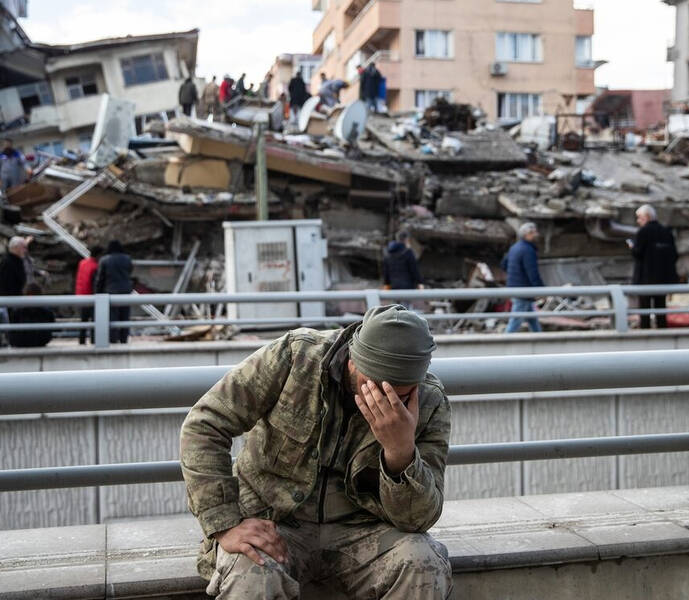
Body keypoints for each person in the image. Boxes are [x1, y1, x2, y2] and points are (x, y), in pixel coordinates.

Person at [180, 304, 452, 598]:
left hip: (363, 529)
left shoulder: (428, 401)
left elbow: (417, 521)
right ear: (352, 360)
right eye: (372, 386)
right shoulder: (296, 357)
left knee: (423, 563)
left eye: (400, 395)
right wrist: (225, 524)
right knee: (251, 575)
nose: (384, 402)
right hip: (276, 522)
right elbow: (204, 424)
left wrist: (400, 452)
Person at [629, 204, 679, 329]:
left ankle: (646, 331)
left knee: (644, 309)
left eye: (639, 218)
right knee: (660, 307)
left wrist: (632, 247)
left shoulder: (643, 232)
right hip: (662, 278)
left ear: (646, 217)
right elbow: (674, 255)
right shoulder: (666, 231)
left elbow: (637, 253)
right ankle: (662, 329)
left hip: (645, 279)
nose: (638, 221)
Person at [501, 222, 545, 333]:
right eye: (534, 232)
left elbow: (503, 265)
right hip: (523, 289)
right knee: (516, 321)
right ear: (527, 234)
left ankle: (539, 338)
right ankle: (504, 343)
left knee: (532, 318)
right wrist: (541, 289)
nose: (537, 234)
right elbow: (532, 273)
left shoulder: (514, 247)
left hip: (514, 287)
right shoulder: (528, 250)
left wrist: (514, 275)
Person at [95, 240, 133, 343]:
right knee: (125, 316)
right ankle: (124, 339)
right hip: (126, 291)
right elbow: (130, 272)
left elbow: (100, 279)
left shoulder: (104, 260)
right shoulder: (127, 258)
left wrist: (98, 292)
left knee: (112, 317)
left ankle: (113, 339)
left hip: (111, 292)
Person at [382, 230, 424, 308]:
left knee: (394, 309)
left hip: (393, 287)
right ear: (406, 239)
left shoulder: (388, 253)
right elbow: (414, 269)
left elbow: (386, 271)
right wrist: (419, 282)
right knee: (405, 310)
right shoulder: (408, 252)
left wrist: (386, 284)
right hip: (407, 287)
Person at [7, 283, 55, 348]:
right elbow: (52, 324)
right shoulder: (46, 309)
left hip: (19, 341)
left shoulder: (17, 309)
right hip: (41, 340)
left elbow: (12, 326)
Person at [75, 246, 101, 345]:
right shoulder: (95, 266)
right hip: (91, 297)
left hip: (81, 296)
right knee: (95, 321)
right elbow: (94, 284)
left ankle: (81, 341)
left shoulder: (82, 263)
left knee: (83, 321)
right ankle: (93, 341)